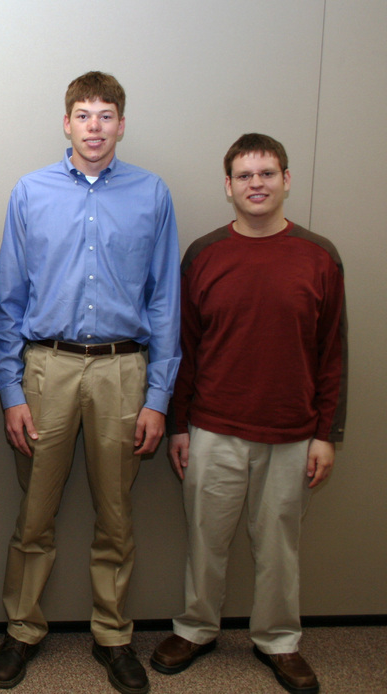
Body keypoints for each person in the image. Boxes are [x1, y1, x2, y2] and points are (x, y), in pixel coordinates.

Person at [0, 71, 181, 694]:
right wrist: (12, 392)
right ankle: (21, 630)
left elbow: (165, 304)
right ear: (66, 122)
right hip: (49, 367)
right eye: (83, 114)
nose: (94, 127)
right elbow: (8, 300)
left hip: (126, 369)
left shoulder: (152, 195)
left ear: (121, 124)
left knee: (117, 516)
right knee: (35, 513)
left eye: (106, 115)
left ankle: (114, 634)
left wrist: (158, 398)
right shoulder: (30, 192)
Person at [150, 134, 346, 694]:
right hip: (213, 428)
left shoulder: (319, 256)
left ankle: (278, 640)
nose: (256, 184)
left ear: (286, 180)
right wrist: (180, 424)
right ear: (229, 186)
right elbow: (183, 346)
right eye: (244, 175)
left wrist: (325, 433)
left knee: (278, 545)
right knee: (205, 538)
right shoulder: (205, 255)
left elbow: (332, 352)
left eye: (266, 173)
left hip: (291, 431)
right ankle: (195, 628)